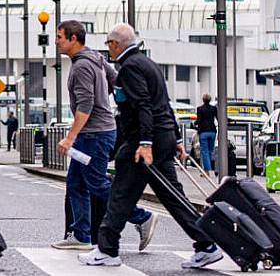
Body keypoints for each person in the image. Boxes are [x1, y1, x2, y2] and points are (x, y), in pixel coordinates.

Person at [80, 23, 222, 269]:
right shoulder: (149, 64)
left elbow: (143, 106)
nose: (108, 50)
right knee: (173, 197)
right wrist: (176, 139)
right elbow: (164, 104)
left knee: (121, 194)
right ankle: (206, 244)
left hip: (145, 143)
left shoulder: (129, 69)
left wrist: (145, 143)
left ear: (115, 44)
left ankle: (107, 249)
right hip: (162, 138)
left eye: (108, 45)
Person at [52, 20, 156, 251]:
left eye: (59, 37)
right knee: (76, 183)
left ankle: (142, 217)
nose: (56, 41)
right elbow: (116, 80)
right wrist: (106, 99)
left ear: (73, 39)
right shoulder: (96, 58)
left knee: (97, 184)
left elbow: (85, 105)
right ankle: (80, 235)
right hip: (96, 133)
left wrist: (69, 138)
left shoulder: (81, 67)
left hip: (94, 135)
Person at [196, 93, 218, 175]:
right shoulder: (213, 108)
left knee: (204, 151)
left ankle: (207, 171)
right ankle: (208, 169)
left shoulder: (200, 109)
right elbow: (218, 118)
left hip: (203, 132)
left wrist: (195, 123)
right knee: (210, 151)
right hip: (212, 131)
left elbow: (199, 120)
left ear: (203, 100)